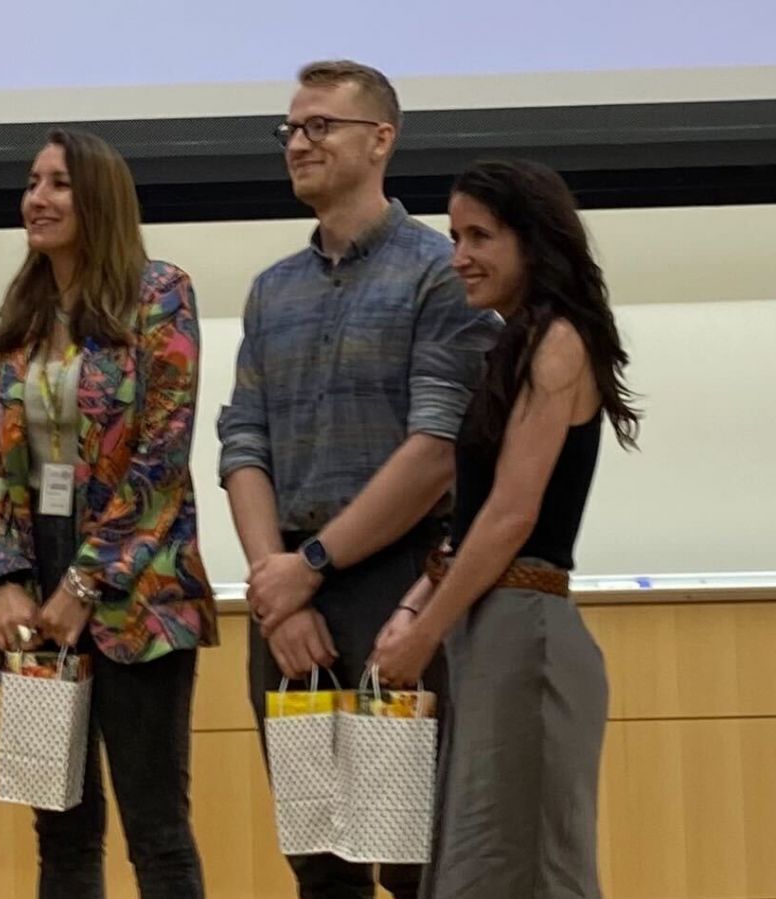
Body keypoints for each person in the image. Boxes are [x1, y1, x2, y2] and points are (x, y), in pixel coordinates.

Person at [216, 60, 500, 899]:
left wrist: (310, 568)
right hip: (289, 601)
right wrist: (279, 586)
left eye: (320, 126)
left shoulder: (439, 273)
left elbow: (438, 446)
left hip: (401, 592)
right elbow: (243, 443)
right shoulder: (273, 291)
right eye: (291, 129)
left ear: (381, 140)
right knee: (319, 865)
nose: (298, 142)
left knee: (415, 859)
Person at [370, 159, 639, 898]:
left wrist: (423, 633)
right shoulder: (513, 343)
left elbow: (513, 513)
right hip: (493, 632)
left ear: (534, 241)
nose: (460, 254)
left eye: (480, 236)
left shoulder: (558, 340)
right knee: (474, 867)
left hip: (528, 633)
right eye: (455, 235)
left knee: (515, 872)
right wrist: (413, 613)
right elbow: (475, 518)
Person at [0, 127, 217, 899]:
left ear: (100, 199)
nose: (36, 198)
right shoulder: (24, 308)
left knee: (156, 829)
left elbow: (161, 458)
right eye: (34, 181)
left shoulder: (160, 293)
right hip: (34, 574)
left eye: (59, 184)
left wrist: (83, 586)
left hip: (136, 583)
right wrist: (4, 576)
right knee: (62, 832)